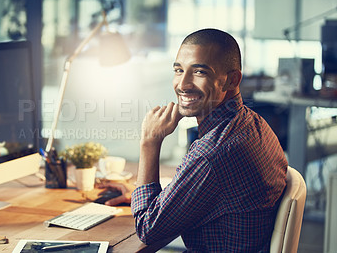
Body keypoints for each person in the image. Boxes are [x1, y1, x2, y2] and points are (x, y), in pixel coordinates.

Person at [109, 29, 287, 252]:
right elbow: (213, 189)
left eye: (200, 72)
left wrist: (149, 142)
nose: (183, 84)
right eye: (179, 70)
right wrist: (149, 197)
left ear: (232, 80)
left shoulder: (211, 154)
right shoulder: (253, 123)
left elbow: (147, 228)